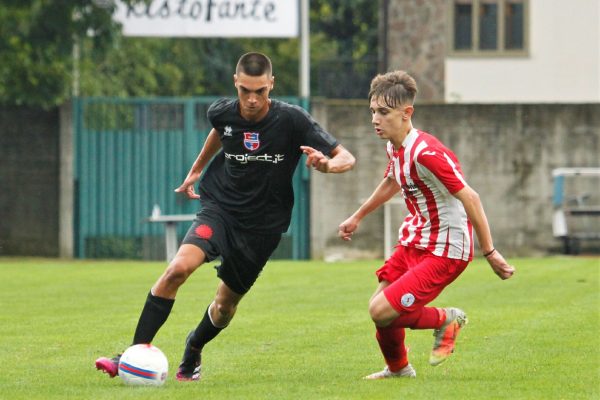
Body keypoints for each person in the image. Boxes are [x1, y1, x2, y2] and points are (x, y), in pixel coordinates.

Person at [95, 52, 355, 381]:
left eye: (259, 91)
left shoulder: (293, 120)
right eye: (245, 90)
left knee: (224, 307)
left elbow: (347, 157)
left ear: (271, 85)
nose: (251, 98)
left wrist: (328, 165)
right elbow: (221, 130)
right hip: (221, 209)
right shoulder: (222, 111)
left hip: (263, 228)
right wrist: (197, 169)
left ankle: (193, 346)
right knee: (177, 269)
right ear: (236, 82)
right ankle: (129, 356)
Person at [338, 70, 515, 379]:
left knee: (381, 310)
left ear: (407, 113)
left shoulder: (428, 153)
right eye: (372, 112)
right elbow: (392, 181)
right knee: (379, 309)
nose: (374, 120)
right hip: (415, 240)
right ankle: (399, 370)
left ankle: (447, 319)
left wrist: (490, 252)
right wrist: (358, 216)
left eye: (383, 112)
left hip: (445, 250)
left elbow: (471, 197)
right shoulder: (395, 145)